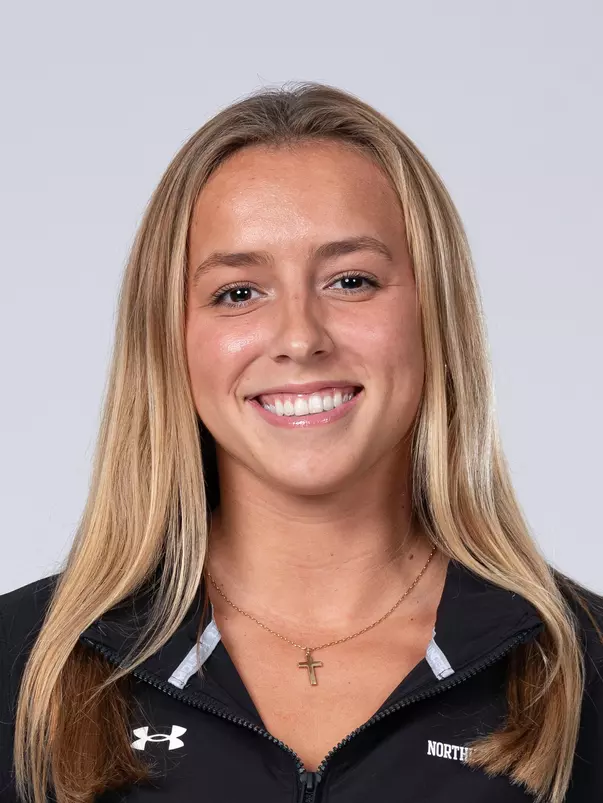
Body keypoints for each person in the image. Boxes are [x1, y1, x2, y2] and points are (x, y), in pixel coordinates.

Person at [1, 81, 602, 803]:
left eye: (350, 280)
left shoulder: (582, 666)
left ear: (432, 313)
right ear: (170, 337)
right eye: (237, 292)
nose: (299, 337)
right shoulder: (22, 665)